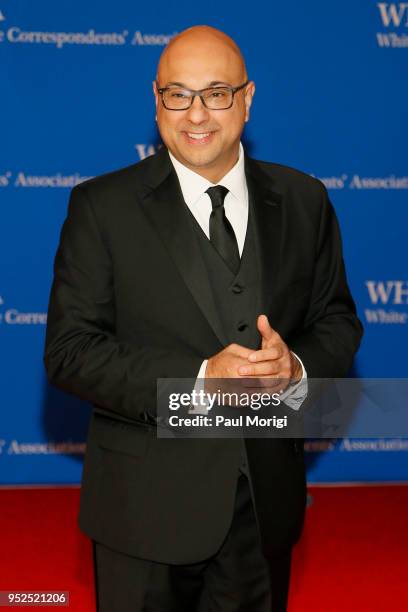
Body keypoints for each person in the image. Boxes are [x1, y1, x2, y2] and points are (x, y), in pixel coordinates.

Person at [44, 25, 363, 611]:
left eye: (216, 93)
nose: (197, 113)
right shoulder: (101, 208)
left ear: (247, 99)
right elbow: (70, 351)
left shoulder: (304, 200)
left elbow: (338, 323)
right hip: (142, 514)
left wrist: (293, 368)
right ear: (156, 99)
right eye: (178, 93)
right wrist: (198, 382)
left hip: (265, 504)